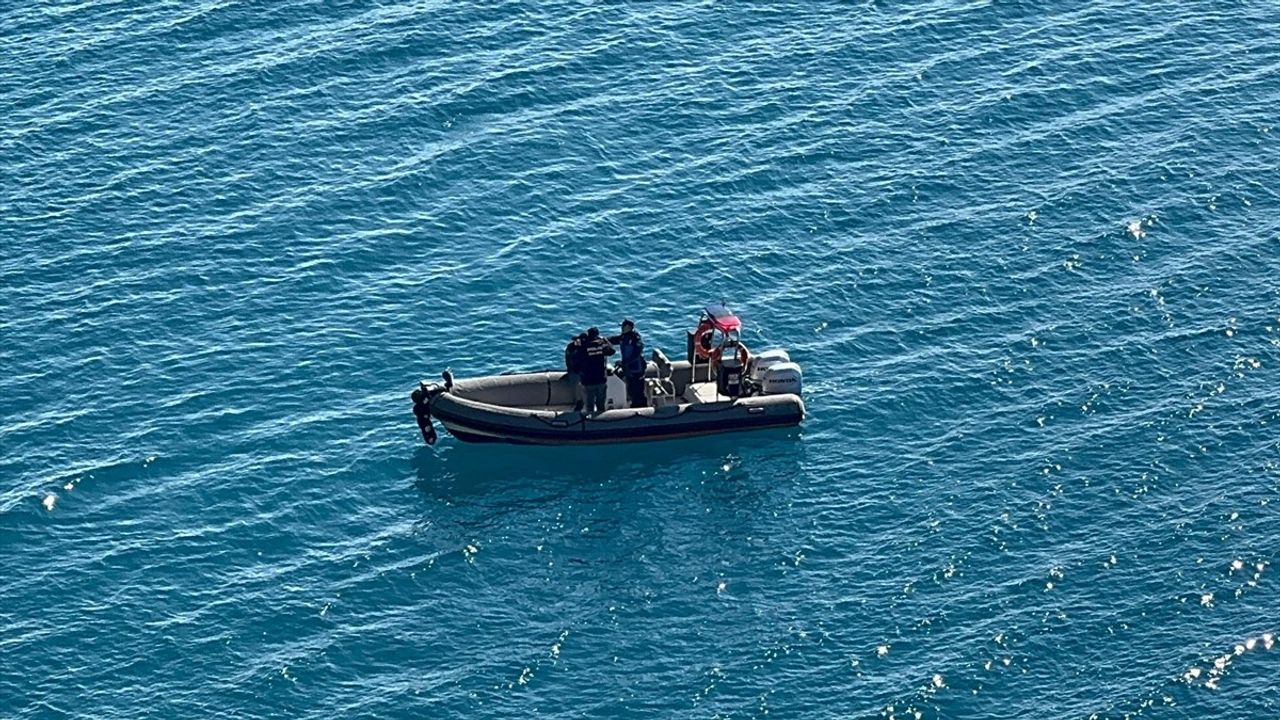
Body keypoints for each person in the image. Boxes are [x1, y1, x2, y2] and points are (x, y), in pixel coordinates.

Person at [609, 318, 647, 408]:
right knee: (631, 389)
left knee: (638, 389)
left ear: (628, 327)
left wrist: (623, 362)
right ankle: (634, 404)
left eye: (623, 327)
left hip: (637, 368)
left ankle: (641, 407)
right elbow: (614, 339)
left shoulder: (635, 339)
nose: (621, 328)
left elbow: (636, 354)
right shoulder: (623, 337)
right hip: (628, 368)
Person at [578, 327, 615, 415]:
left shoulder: (585, 346)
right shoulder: (601, 345)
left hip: (588, 379)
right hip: (601, 378)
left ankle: (589, 422)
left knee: (589, 404)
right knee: (600, 404)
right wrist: (606, 341)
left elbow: (577, 357)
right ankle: (600, 420)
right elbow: (612, 351)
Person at [563, 332, 587, 412]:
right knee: (575, 386)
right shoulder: (571, 348)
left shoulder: (583, 347)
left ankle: (581, 402)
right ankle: (578, 402)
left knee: (580, 387)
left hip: (580, 371)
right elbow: (568, 360)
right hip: (574, 371)